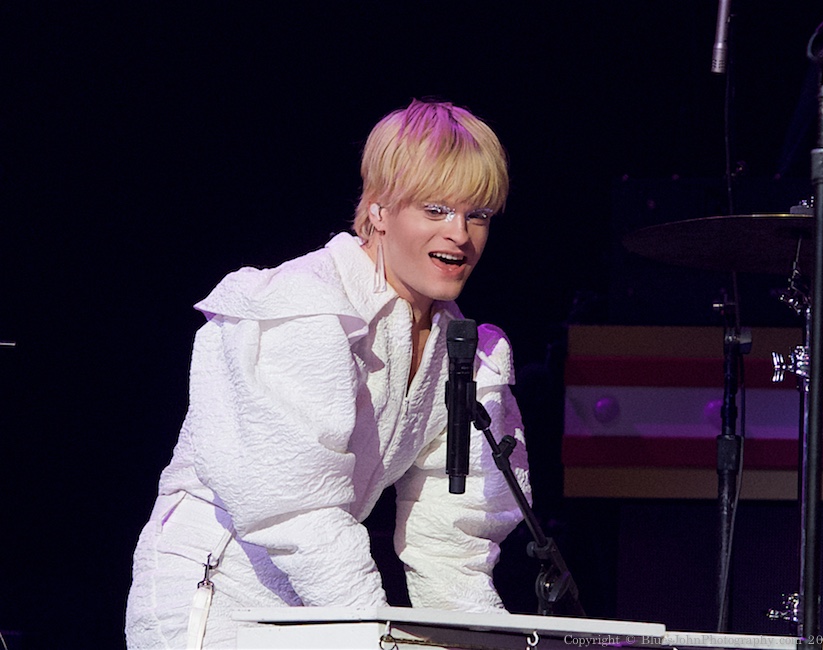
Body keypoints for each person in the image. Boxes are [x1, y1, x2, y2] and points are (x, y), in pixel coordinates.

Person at [125, 98, 531, 649]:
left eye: (477, 215)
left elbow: (453, 537)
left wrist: (483, 641)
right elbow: (292, 503)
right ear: (380, 210)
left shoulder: (464, 352)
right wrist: (374, 628)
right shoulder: (305, 305)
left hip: (323, 602)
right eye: (434, 209)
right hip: (216, 594)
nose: (460, 234)